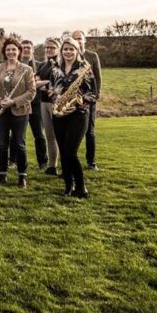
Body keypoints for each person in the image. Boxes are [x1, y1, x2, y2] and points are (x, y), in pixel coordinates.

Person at [51, 37, 97, 198]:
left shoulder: (85, 68)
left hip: (78, 114)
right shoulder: (56, 68)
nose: (68, 52)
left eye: (71, 49)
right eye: (65, 49)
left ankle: (81, 187)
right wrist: (55, 98)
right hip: (59, 114)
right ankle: (68, 187)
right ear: (61, 51)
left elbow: (93, 94)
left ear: (77, 50)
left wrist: (77, 103)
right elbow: (52, 89)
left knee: (70, 152)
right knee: (63, 152)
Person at [0, 38, 35, 188]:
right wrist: (0, 101)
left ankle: (22, 177)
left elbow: (31, 92)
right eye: (8, 50)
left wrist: (13, 102)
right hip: (0, 111)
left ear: (19, 51)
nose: (11, 52)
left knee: (19, 143)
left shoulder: (27, 69)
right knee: (2, 144)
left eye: (14, 49)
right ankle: (2, 176)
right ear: (4, 52)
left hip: (20, 111)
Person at [71, 30, 102, 170]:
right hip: (72, 100)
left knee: (90, 131)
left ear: (84, 40)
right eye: (74, 39)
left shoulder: (92, 56)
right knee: (72, 132)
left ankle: (91, 161)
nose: (77, 41)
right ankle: (71, 160)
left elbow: (98, 77)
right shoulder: (70, 55)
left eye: (79, 38)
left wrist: (95, 95)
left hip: (89, 99)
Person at [36, 39, 61, 176]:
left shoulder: (60, 64)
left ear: (58, 49)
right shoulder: (43, 65)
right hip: (43, 102)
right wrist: (49, 84)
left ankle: (66, 167)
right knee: (50, 136)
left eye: (52, 47)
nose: (49, 50)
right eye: (47, 48)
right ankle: (52, 166)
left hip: (56, 102)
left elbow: (59, 85)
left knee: (60, 136)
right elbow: (34, 83)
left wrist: (45, 84)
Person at [21, 39, 47, 169]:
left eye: (28, 47)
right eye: (23, 47)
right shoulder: (16, 65)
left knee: (39, 134)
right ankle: (14, 161)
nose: (26, 49)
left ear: (33, 50)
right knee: (17, 135)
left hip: (36, 104)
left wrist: (38, 82)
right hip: (19, 104)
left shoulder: (40, 65)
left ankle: (43, 162)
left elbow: (46, 81)